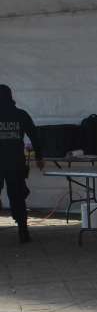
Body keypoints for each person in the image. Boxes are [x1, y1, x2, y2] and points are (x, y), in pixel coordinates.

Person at [0, 84, 44, 243]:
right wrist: (39, 157)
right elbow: (35, 136)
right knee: (17, 196)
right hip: (15, 162)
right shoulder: (20, 114)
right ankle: (23, 231)